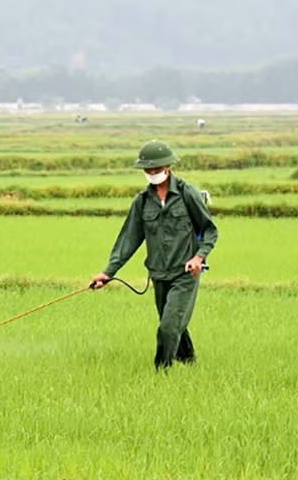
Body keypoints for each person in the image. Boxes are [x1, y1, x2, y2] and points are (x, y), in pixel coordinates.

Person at [89, 140, 218, 369]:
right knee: (173, 322)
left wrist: (199, 257)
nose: (152, 173)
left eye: (156, 169)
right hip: (158, 274)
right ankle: (190, 364)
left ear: (167, 166)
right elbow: (128, 240)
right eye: (147, 170)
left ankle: (161, 373)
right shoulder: (142, 202)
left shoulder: (187, 194)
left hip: (185, 273)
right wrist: (107, 273)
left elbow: (209, 230)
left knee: (168, 326)